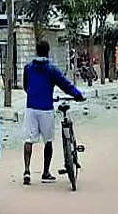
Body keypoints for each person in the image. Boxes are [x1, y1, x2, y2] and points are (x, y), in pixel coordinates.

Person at [22, 40, 85, 185]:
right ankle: (45, 172)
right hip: (46, 108)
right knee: (48, 141)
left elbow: (26, 86)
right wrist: (77, 94)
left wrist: (33, 95)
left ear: (36, 51)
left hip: (31, 108)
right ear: (48, 52)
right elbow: (65, 84)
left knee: (29, 140)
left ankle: (26, 170)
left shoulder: (28, 68)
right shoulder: (51, 69)